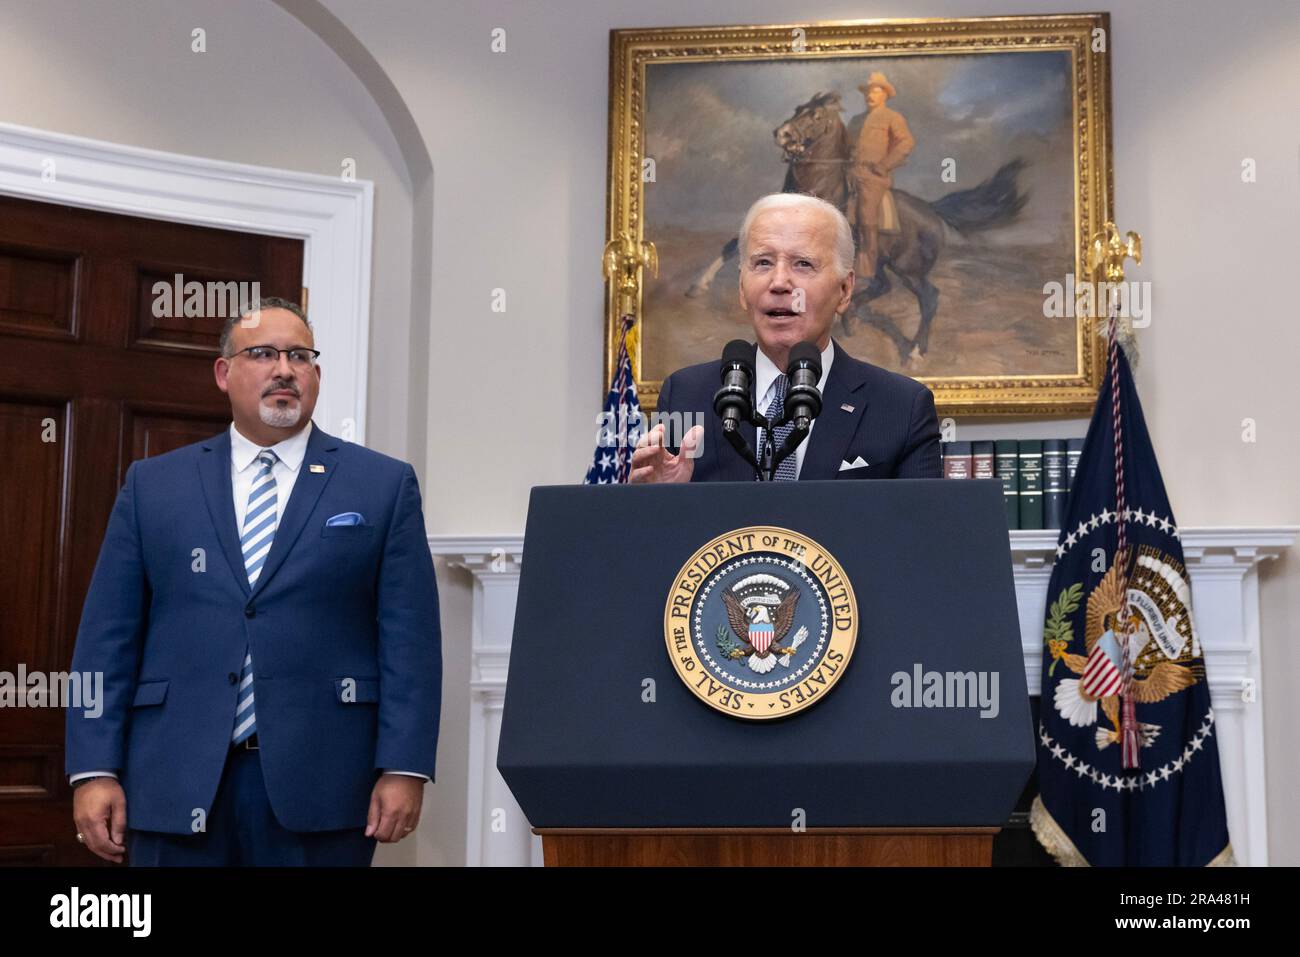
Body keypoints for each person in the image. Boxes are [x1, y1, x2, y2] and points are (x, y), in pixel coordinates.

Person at [66, 297, 441, 866]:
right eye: (263, 353)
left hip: (325, 786)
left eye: (300, 356)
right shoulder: (154, 485)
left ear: (315, 374)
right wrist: (94, 768)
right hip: (173, 781)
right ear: (225, 373)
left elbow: (410, 641)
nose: (284, 369)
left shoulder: (381, 486)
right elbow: (106, 637)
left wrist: (404, 765)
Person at [632, 193, 940, 483]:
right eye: (763, 262)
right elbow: (665, 532)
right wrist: (661, 498)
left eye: (803, 263)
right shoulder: (686, 395)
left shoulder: (902, 408)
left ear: (845, 291)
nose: (779, 283)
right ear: (742, 289)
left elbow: (920, 533)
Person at [850, 72, 915, 283]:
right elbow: (847, 147)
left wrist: (884, 165)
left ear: (885, 94)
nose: (870, 94)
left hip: (873, 177)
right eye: (868, 91)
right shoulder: (856, 120)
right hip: (850, 173)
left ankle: (867, 265)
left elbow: (906, 143)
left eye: (875, 91)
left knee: (865, 212)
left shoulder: (892, 118)